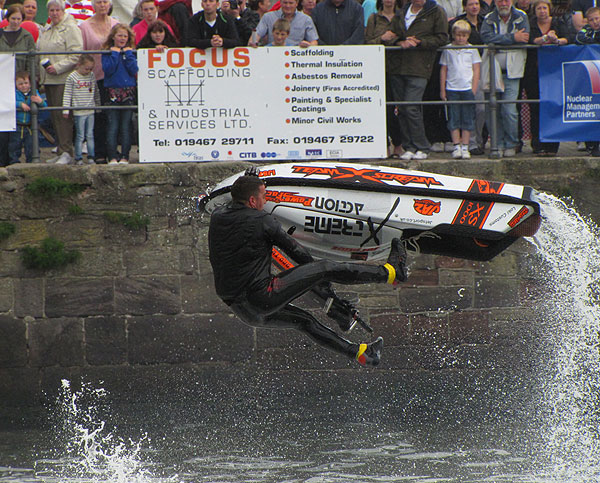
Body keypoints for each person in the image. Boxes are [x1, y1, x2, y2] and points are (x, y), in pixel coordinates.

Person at [208, 172, 409, 367]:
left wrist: (248, 181)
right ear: (252, 201)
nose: (265, 201)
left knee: (304, 322)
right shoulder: (262, 221)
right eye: (264, 197)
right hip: (262, 296)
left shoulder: (217, 217)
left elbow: (235, 203)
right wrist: (323, 281)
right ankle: (390, 273)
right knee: (324, 267)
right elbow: (296, 251)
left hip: (245, 311)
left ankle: (362, 354)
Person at [388, 0, 449, 161]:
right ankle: (409, 146)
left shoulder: (436, 11)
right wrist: (399, 42)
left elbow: (442, 38)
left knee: (411, 106)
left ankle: (422, 146)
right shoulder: (403, 10)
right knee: (401, 108)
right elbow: (392, 34)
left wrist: (420, 42)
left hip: (420, 66)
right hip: (398, 66)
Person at [480, 0, 529, 158]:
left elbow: (524, 39)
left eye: (506, 0)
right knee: (492, 110)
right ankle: (497, 143)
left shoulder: (521, 16)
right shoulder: (488, 17)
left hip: (512, 70)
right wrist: (513, 37)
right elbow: (486, 37)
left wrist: (499, 41)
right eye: (500, 0)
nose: (503, 3)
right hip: (492, 70)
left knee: (508, 109)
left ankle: (511, 143)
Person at [38, 0, 84, 165]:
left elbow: (76, 54)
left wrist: (57, 68)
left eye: (57, 10)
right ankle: (60, 149)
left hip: (63, 78)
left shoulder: (71, 28)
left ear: (63, 11)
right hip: (48, 79)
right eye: (51, 10)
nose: (54, 13)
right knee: (55, 116)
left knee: (64, 116)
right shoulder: (47, 29)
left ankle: (67, 152)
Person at [523, 0, 567, 156]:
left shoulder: (558, 22)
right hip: (533, 72)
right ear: (535, 11)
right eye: (539, 8)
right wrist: (543, 39)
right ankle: (537, 144)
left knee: (553, 106)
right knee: (535, 108)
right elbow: (529, 40)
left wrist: (557, 40)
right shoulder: (531, 24)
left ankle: (552, 145)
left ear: (549, 10)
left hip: (553, 73)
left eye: (544, 8)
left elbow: (567, 38)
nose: (542, 11)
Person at [79, 0, 119, 164]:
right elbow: (82, 53)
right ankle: (99, 151)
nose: (102, 5)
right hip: (94, 77)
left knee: (113, 116)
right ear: (93, 5)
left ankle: (113, 150)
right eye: (99, 2)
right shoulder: (84, 27)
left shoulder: (116, 24)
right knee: (98, 116)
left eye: (105, 2)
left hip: (114, 77)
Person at [365, 0, 404, 158]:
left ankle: (400, 143)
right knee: (384, 110)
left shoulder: (402, 17)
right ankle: (386, 144)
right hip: (378, 69)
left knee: (402, 109)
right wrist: (383, 38)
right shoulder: (373, 18)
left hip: (399, 68)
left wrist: (398, 41)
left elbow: (407, 37)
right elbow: (367, 42)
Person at [440, 20, 481, 159]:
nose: (460, 38)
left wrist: (474, 88)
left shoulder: (472, 49)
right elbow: (443, 69)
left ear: (468, 36)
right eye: (458, 35)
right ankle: (456, 145)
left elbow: (476, 69)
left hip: (467, 88)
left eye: (464, 35)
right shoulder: (448, 49)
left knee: (467, 118)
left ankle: (465, 146)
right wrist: (443, 90)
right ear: (453, 35)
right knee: (454, 117)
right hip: (452, 88)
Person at [450, 0, 486, 155]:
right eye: (471, 4)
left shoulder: (485, 21)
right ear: (465, 6)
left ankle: (477, 140)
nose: (474, 7)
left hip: (479, 70)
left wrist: (475, 83)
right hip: (458, 79)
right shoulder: (459, 22)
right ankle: (465, 144)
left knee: (481, 109)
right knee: (460, 112)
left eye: (477, 4)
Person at [102, 23, 138, 164]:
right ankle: (112, 156)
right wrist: (115, 54)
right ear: (113, 37)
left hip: (128, 92)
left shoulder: (131, 52)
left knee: (126, 126)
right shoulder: (106, 52)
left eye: (125, 36)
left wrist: (128, 54)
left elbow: (134, 69)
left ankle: (125, 156)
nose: (122, 38)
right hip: (112, 92)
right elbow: (108, 69)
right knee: (113, 126)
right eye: (119, 35)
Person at [62, 54, 100, 165]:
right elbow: (67, 93)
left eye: (90, 69)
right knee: (80, 135)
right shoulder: (72, 77)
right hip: (79, 111)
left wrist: (97, 105)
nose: (88, 71)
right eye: (86, 68)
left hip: (90, 109)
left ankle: (91, 156)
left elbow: (95, 91)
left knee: (90, 134)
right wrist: (66, 109)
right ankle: (78, 157)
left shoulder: (91, 76)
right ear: (79, 65)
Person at [576, 6, 600, 156]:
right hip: (592, 75)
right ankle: (593, 145)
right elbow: (579, 38)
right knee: (592, 109)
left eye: (597, 18)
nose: (595, 22)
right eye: (591, 20)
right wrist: (592, 39)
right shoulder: (586, 30)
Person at [9, 71, 46, 164]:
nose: (24, 86)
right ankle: (14, 163)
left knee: (31, 146)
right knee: (14, 146)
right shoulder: (14, 94)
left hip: (30, 126)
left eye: (26, 83)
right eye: (20, 84)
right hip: (17, 125)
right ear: (16, 85)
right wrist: (20, 104)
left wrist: (40, 101)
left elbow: (44, 106)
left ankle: (31, 163)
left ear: (30, 83)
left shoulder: (34, 92)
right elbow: (9, 102)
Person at [251, 0, 318, 46]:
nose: (288, 6)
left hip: (296, 58)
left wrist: (308, 46)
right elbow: (257, 34)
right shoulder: (268, 17)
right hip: (272, 55)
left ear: (297, 3)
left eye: (291, 3)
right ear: (280, 2)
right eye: (285, 3)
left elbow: (314, 41)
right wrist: (253, 42)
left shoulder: (306, 19)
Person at [0, 5, 36, 74]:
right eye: (13, 19)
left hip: (21, 78)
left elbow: (31, 60)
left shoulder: (27, 36)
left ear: (22, 19)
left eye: (18, 19)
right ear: (8, 18)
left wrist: (28, 77)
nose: (16, 22)